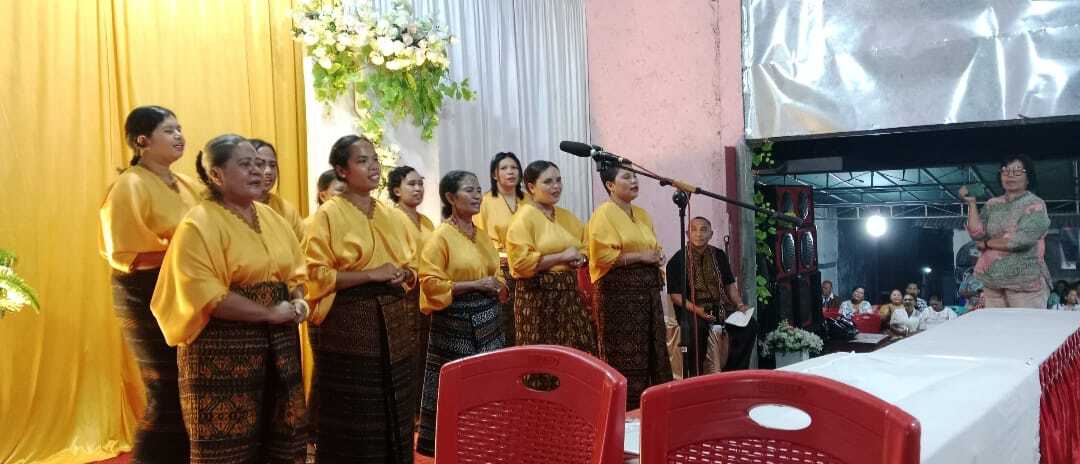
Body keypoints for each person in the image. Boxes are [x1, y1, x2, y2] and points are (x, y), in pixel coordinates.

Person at [151, 134, 308, 463]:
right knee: (226, 451)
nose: (258, 171)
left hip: (278, 347)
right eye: (246, 164)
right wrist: (270, 314)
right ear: (216, 175)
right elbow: (207, 296)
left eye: (260, 164)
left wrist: (298, 299)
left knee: (279, 442)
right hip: (220, 355)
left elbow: (294, 272)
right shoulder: (199, 223)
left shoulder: (271, 217)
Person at [303, 135, 417, 463]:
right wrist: (370, 274)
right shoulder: (327, 215)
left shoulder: (391, 215)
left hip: (395, 319)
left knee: (397, 405)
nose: (373, 167)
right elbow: (316, 276)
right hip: (350, 321)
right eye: (362, 161)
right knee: (356, 410)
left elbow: (412, 266)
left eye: (375, 159)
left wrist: (405, 275)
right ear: (342, 170)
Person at [98, 105, 197, 463]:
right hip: (146, 291)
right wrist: (185, 253)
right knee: (165, 386)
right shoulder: (130, 185)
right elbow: (128, 253)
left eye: (180, 128)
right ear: (142, 141)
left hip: (187, 293)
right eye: (169, 130)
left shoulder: (188, 185)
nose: (179, 136)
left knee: (189, 385)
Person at [417, 170, 507, 456]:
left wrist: (497, 284)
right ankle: (454, 446)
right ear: (451, 198)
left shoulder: (481, 235)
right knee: (458, 385)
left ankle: (487, 441)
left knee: (489, 384)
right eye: (469, 190)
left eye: (479, 189)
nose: (477, 195)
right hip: (455, 323)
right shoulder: (441, 237)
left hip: (489, 321)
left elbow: (496, 273)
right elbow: (430, 283)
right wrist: (475, 285)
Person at [588, 163, 672, 410]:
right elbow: (601, 256)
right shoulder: (603, 214)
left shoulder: (642, 214)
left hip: (647, 295)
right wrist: (640, 257)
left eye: (635, 176)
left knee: (652, 351)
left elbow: (652, 245)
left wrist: (657, 255)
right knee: (624, 357)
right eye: (627, 177)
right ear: (610, 185)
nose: (634, 180)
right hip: (619, 298)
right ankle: (626, 411)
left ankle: (653, 407)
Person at [506, 161, 597, 358]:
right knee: (543, 357)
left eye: (558, 180)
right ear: (531, 187)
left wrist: (581, 258)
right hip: (537, 299)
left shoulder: (565, 216)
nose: (556, 186)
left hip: (569, 296)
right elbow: (520, 263)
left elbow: (586, 245)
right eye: (548, 182)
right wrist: (562, 257)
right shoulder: (523, 218)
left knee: (576, 355)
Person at [666, 217, 754, 376]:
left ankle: (734, 372)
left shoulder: (719, 255)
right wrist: (698, 311)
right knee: (697, 329)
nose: (698, 234)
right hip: (692, 309)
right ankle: (696, 375)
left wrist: (740, 305)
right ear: (687, 234)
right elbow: (676, 296)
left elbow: (729, 285)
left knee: (749, 325)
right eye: (694, 230)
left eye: (703, 229)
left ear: (711, 234)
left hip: (720, 306)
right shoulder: (677, 260)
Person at [961, 155, 1051, 308]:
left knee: (1025, 324)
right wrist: (972, 204)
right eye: (1005, 171)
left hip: (1025, 283)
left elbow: (1021, 240)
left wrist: (987, 243)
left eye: (1017, 171)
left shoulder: (1036, 204)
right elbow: (977, 234)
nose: (1010, 175)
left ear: (1028, 178)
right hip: (992, 282)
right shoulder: (992, 204)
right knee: (995, 324)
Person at [386, 165, 435, 418]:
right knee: (407, 352)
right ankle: (406, 412)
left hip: (429, 292)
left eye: (420, 184)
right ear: (396, 190)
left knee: (427, 351)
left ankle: (422, 410)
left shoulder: (426, 221)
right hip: (405, 293)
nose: (418, 189)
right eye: (411, 184)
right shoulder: (391, 218)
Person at [474, 151, 525, 345]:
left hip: (529, 268)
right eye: (504, 168)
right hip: (501, 268)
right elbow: (478, 240)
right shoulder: (485, 202)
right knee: (505, 322)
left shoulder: (529, 200)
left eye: (514, 167)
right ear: (494, 175)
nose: (510, 172)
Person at [250, 139, 304, 240]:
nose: (268, 171)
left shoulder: (286, 210)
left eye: (272, 165)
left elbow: (303, 245)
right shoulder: (233, 208)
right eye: (260, 164)